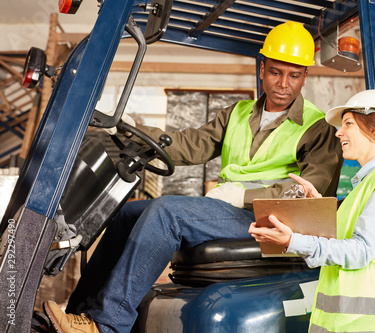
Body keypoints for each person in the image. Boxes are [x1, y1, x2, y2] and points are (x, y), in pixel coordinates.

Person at [42, 21, 343, 333]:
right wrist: (131, 129)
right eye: (276, 72)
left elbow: (311, 192)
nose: (284, 83)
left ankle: (106, 325)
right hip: (226, 211)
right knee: (127, 213)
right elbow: (189, 144)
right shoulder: (237, 113)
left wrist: (243, 196)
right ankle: (80, 314)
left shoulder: (317, 128)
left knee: (167, 213)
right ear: (263, 69)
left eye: (294, 75)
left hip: (268, 219)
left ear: (304, 77)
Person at [249, 89, 375, 333]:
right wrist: (317, 206)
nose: (338, 132)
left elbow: (360, 251)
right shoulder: (368, 185)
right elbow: (345, 240)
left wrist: (293, 241)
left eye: (348, 123)